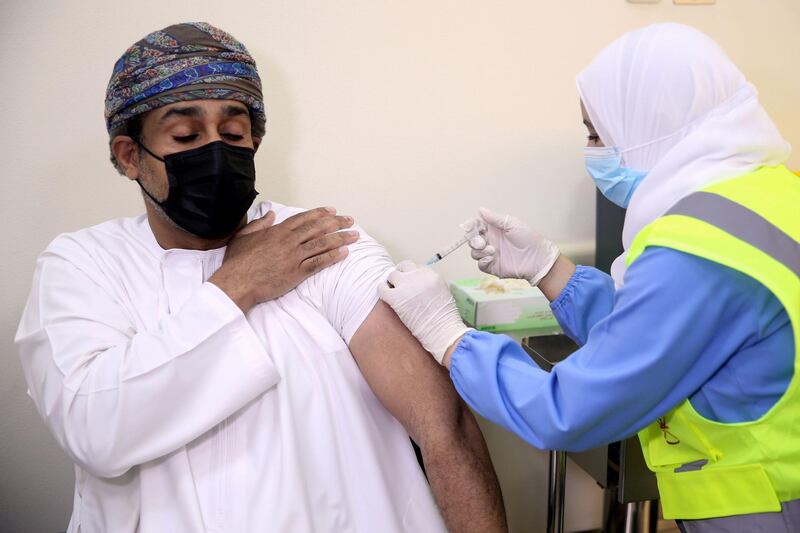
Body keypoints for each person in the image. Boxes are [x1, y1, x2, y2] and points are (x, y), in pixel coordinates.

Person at [15, 22, 507, 533]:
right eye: (185, 135)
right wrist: (239, 283)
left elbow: (442, 426)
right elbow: (95, 427)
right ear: (130, 155)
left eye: (233, 133)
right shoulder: (83, 264)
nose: (215, 151)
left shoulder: (320, 241)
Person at [380, 23, 799, 532]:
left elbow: (566, 411)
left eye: (597, 132)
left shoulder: (695, 249)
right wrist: (548, 269)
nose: (592, 152)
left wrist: (447, 335)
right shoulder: (773, 193)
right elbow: (663, 332)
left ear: (651, 122)